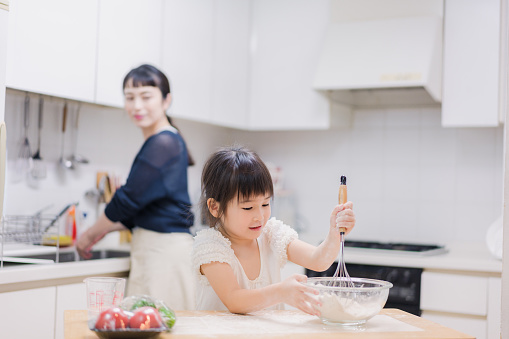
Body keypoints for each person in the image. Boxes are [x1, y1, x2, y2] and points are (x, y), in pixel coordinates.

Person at [76, 64, 195, 310]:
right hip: (157, 250)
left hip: (164, 255)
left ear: (166, 100)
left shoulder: (162, 142)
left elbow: (126, 201)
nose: (136, 106)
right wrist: (103, 231)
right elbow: (144, 209)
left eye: (146, 96)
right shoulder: (165, 140)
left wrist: (87, 237)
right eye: (129, 98)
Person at [192, 145, 356, 315]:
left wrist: (334, 233)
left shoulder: (271, 234)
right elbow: (234, 300)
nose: (260, 216)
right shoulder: (210, 246)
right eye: (248, 208)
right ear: (215, 207)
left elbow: (318, 260)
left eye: (265, 204)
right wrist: (280, 292)